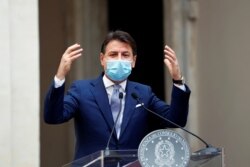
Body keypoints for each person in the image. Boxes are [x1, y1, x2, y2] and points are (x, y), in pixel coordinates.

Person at [44, 30, 191, 160]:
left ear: (133, 61)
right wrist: (60, 76)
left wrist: (178, 80)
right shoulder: (82, 90)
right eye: (113, 55)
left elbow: (175, 120)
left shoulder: (143, 93)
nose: (119, 59)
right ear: (102, 59)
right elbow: (53, 117)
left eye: (125, 55)